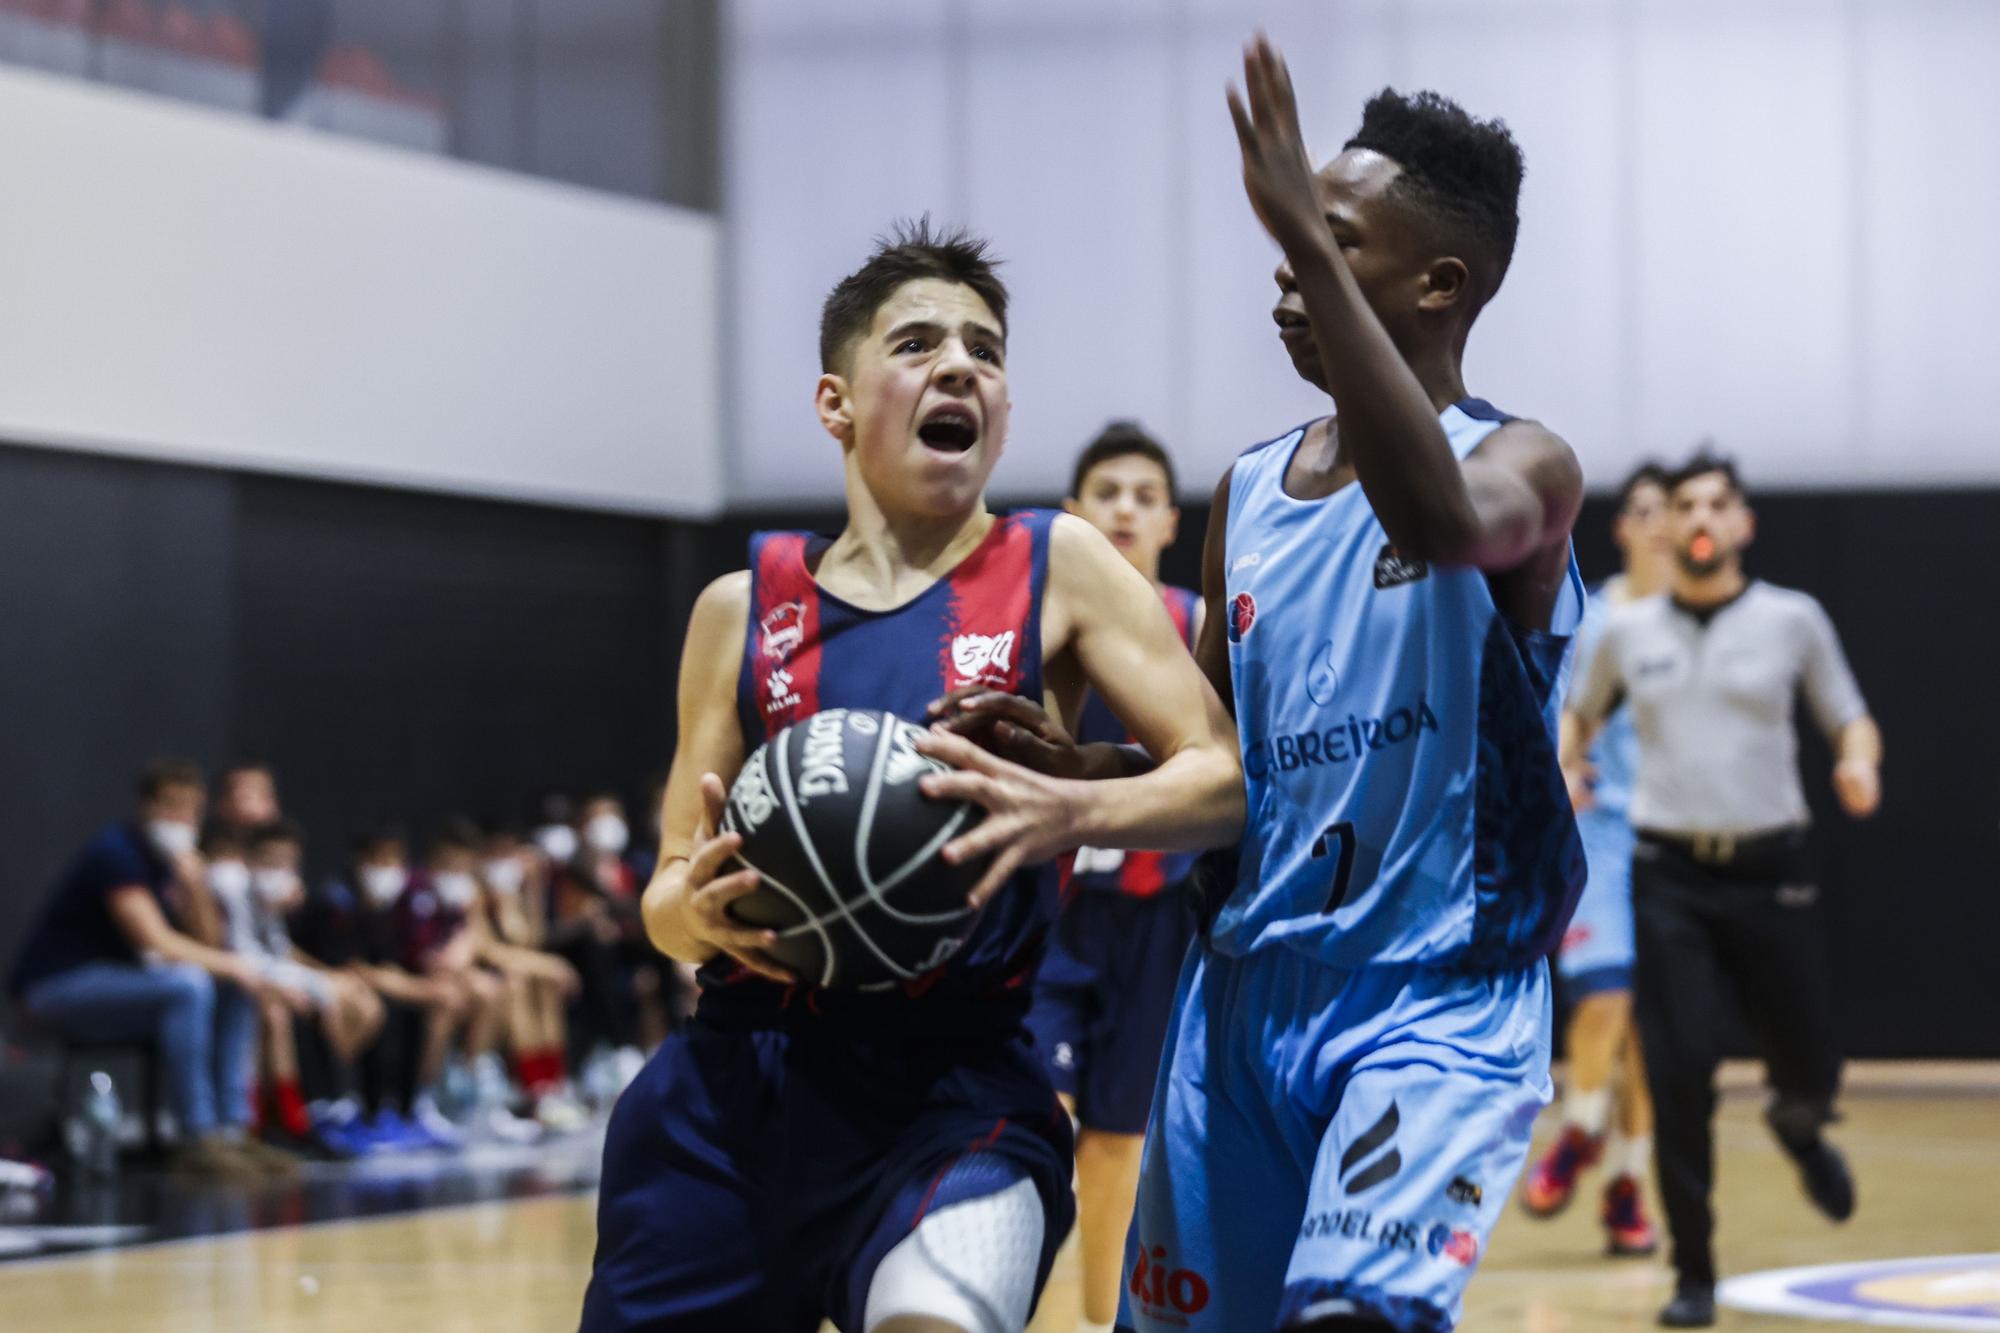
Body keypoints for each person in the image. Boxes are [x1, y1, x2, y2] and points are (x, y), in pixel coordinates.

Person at [582, 221, 1244, 1332]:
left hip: (959, 1085)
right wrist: (694, 916)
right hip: (739, 1081)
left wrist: (1068, 809)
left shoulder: (1057, 563)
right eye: (919, 343)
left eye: (984, 351)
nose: (960, 366)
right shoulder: (740, 609)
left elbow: (1221, 778)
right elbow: (661, 901)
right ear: (835, 403)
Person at [1119, 40, 1585, 1331]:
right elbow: (1212, 760)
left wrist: (1308, 244)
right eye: (1292, 235)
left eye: (1330, 240)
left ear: (1441, 281)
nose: (1286, 259)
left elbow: (1439, 520)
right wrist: (1063, 775)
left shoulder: (1525, 465)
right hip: (1246, 991)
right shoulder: (1248, 496)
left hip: (1434, 993)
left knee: (1352, 1319)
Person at [1565, 451, 1882, 1328]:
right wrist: (1567, 761)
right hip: (1668, 874)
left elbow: (1846, 712)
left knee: (1810, 1058)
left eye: (1717, 503)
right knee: (1678, 1070)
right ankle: (1692, 1271)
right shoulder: (1625, 632)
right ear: (1665, 529)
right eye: (1683, 505)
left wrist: (1857, 759)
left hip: (1769, 869)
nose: (1699, 517)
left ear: (1742, 523)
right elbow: (1579, 712)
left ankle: (1801, 1121)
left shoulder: (1793, 620)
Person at [1023, 421, 1204, 1333]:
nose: (1125, 509)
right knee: (1032, 1129)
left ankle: (1101, 1323)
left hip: (1158, 917)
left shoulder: (1199, 625)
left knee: (1117, 1144)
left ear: (1171, 519)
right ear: (1072, 514)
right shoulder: (1034, 618)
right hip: (1051, 918)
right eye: (1107, 493)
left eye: (1143, 495)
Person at [1520, 463, 1671, 1254]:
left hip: (1675, 842)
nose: (1657, 524)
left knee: (1641, 1034)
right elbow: (1556, 709)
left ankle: (1624, 1188)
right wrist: (1563, 766)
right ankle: (1578, 1131)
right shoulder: (1599, 617)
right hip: (1603, 834)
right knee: (1604, 999)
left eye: (1667, 511)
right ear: (1624, 525)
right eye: (1643, 509)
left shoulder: (1703, 625)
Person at [8, 760, 286, 1179]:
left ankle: (234, 1130)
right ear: (147, 806)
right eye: (171, 807)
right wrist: (235, 964)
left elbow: (208, 944)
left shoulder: (172, 866)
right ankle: (198, 1138)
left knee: (234, 987)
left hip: (118, 985)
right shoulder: (116, 851)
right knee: (191, 985)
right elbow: (154, 941)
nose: (182, 820)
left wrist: (195, 889)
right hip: (53, 990)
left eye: (192, 810)